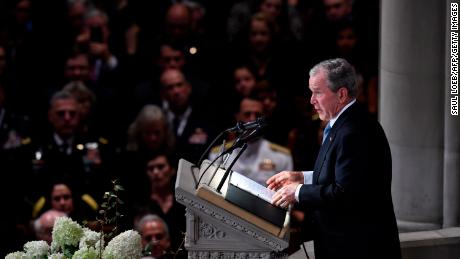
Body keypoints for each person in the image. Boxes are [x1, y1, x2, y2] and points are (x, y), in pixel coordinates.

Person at [266, 58, 401, 259]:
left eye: (317, 92)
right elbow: (345, 175)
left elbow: (345, 193)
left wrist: (299, 192)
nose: (312, 100)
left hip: (358, 249)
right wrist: (301, 178)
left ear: (342, 94)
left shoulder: (354, 131)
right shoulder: (344, 123)